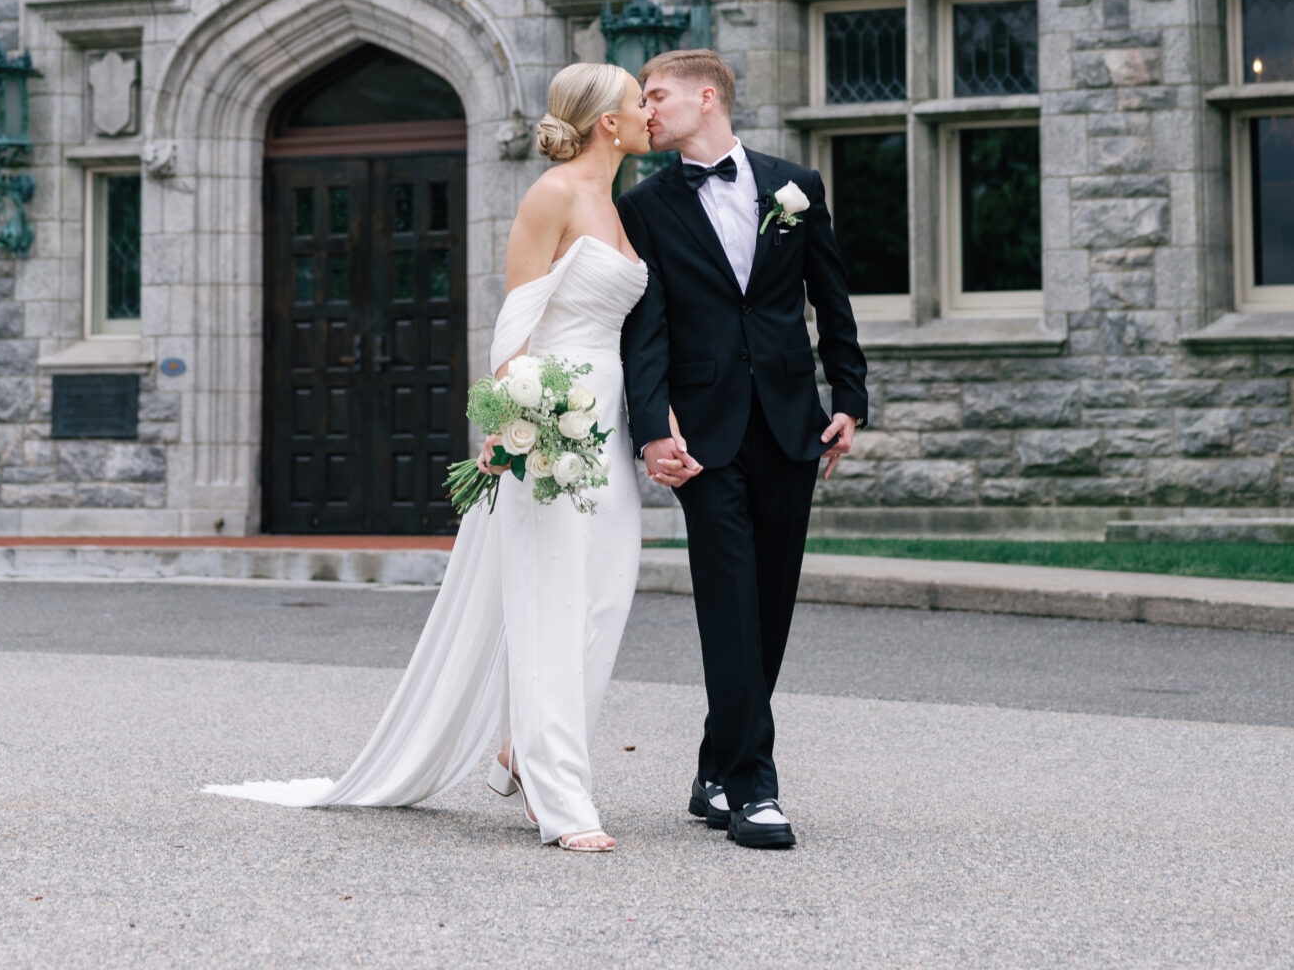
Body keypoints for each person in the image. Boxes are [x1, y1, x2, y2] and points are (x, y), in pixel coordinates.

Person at [206, 62, 652, 850]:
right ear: (607, 122)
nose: (651, 112)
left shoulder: (615, 204)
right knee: (549, 604)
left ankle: (523, 746)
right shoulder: (552, 194)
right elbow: (515, 319)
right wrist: (524, 418)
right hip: (552, 420)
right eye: (637, 101)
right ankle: (560, 799)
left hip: (606, 422)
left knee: (605, 599)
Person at [618, 47, 869, 850]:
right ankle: (754, 789)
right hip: (702, 435)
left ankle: (714, 766)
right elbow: (643, 330)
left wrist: (850, 400)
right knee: (728, 601)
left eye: (654, 97)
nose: (644, 111)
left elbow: (830, 297)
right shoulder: (645, 205)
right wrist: (652, 428)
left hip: (793, 421)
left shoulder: (796, 187)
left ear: (705, 97)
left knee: (769, 607)